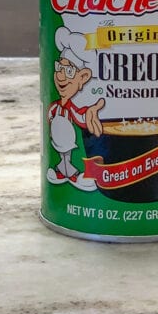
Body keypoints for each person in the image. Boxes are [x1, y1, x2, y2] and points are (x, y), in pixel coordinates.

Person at [47, 27, 104, 191]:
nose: (61, 76)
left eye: (69, 71)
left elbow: (81, 116)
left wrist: (90, 113)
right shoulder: (55, 107)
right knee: (61, 145)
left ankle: (75, 173)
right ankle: (63, 172)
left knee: (72, 144)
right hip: (62, 206)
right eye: (59, 68)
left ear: (84, 77)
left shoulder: (73, 109)